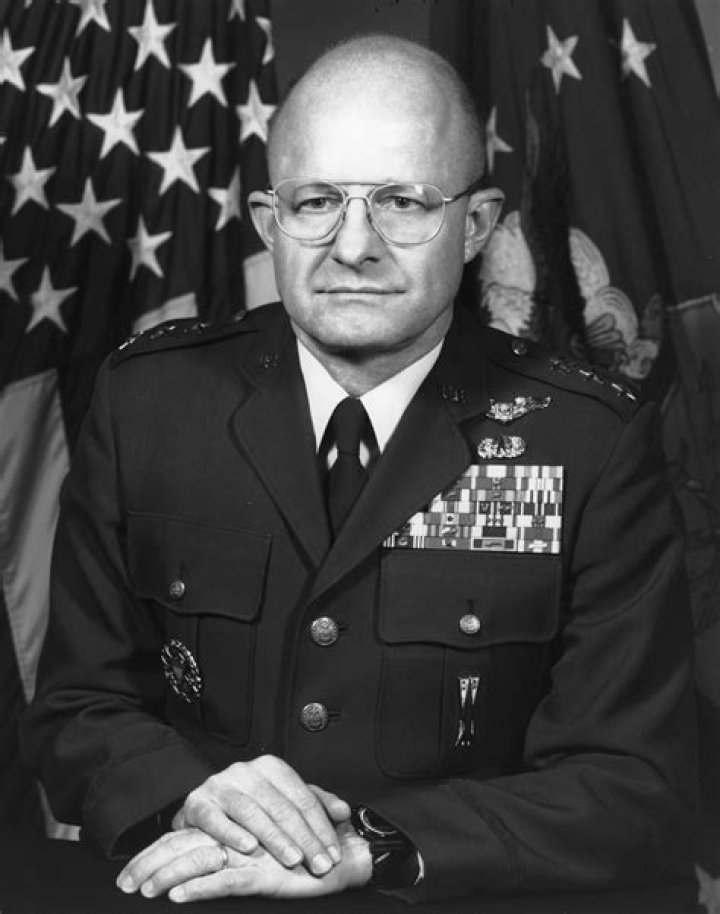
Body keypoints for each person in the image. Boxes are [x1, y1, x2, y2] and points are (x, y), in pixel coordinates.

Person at [22, 34, 696, 904]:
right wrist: (191, 794)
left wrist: (376, 846)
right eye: (316, 202)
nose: (353, 247)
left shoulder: (590, 440)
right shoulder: (148, 405)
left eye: (404, 202)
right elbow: (77, 709)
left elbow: (631, 779)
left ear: (477, 225)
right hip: (210, 889)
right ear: (268, 220)